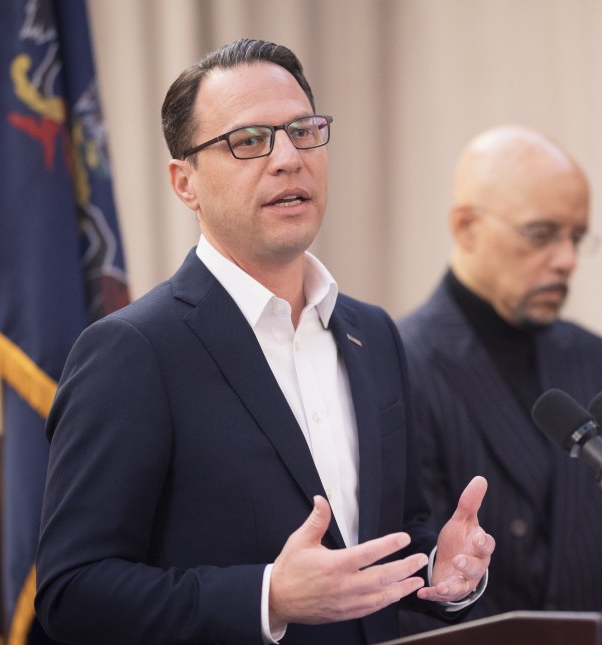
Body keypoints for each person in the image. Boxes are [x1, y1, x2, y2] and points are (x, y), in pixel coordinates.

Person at [34, 38, 495, 645]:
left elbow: (391, 533)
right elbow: (73, 592)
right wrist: (267, 597)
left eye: (303, 131)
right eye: (248, 141)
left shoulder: (372, 333)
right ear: (185, 182)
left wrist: (442, 567)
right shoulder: (133, 351)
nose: (288, 159)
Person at [397, 125, 602, 630]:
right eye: (542, 234)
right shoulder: (401, 364)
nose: (568, 259)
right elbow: (416, 575)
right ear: (466, 227)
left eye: (576, 236)